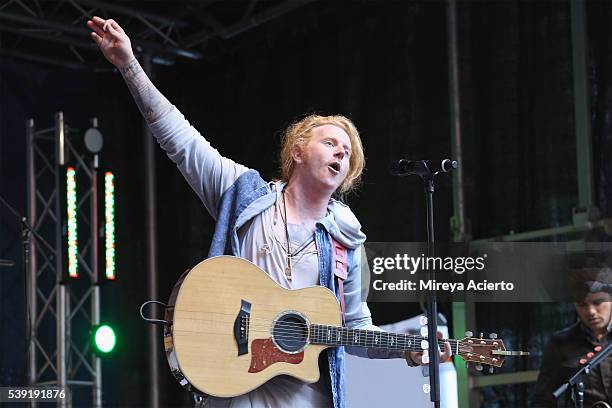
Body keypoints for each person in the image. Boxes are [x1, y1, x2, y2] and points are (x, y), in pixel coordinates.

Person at [87, 16, 451, 408]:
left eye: (348, 153)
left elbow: (355, 329)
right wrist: (129, 65)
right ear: (296, 151)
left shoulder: (347, 240)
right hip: (235, 392)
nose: (342, 153)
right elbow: (182, 142)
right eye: (330, 143)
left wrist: (408, 349)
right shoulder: (244, 194)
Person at [531, 266, 612, 407]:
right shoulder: (560, 343)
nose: (591, 311)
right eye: (582, 305)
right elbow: (543, 400)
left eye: (598, 302)